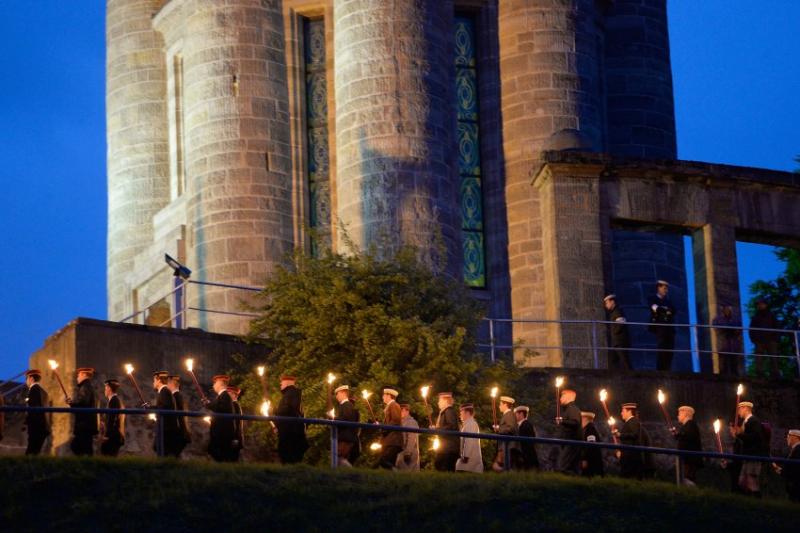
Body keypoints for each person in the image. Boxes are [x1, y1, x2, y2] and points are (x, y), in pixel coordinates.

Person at [730, 401, 767, 497]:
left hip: (753, 455)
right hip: (747, 455)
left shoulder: (753, 421)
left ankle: (757, 500)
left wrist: (739, 434)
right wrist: (738, 434)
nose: (738, 412)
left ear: (745, 408)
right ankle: (748, 499)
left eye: (739, 409)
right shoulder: (746, 422)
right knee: (742, 481)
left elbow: (755, 437)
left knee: (751, 479)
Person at [275, 375, 308, 464]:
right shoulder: (290, 394)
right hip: (291, 433)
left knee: (289, 459)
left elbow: (287, 410)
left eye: (282, 381)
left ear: (288, 382)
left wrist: (274, 411)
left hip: (291, 434)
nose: (280, 383)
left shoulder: (292, 393)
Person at [205, 374, 236, 462]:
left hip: (223, 433)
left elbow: (222, 409)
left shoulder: (225, 395)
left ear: (221, 383)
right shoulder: (221, 396)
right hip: (219, 431)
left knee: (220, 455)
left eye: (215, 383)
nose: (213, 385)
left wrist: (209, 405)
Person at [67, 367, 98, 456]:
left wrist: (72, 404)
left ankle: (85, 466)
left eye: (78, 375)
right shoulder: (86, 386)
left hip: (84, 424)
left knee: (78, 446)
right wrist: (72, 403)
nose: (77, 377)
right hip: (85, 424)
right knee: (84, 447)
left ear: (84, 375)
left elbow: (83, 402)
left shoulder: (85, 386)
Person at [649, 280, 677, 371]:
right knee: (661, 349)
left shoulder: (669, 301)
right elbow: (655, 308)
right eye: (664, 288)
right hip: (659, 328)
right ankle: (660, 370)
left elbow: (674, 311)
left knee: (670, 350)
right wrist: (665, 310)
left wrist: (663, 310)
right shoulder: (652, 299)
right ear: (659, 288)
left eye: (666, 289)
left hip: (669, 329)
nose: (666, 290)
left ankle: (667, 369)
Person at [749, 299, 781, 378]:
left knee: (773, 357)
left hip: (771, 340)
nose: (760, 305)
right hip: (759, 341)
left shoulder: (771, 315)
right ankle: (759, 374)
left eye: (762, 304)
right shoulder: (755, 317)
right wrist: (754, 340)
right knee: (759, 358)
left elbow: (777, 326)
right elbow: (751, 329)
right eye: (759, 304)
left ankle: (775, 374)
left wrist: (775, 339)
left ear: (765, 305)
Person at [613, 402, 645, 479]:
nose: (621, 413)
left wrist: (620, 435)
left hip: (631, 459)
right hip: (629, 458)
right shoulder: (631, 422)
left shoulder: (632, 421)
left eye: (623, 411)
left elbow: (634, 435)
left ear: (629, 411)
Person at [672, 405, 703, 485]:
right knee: (685, 478)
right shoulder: (687, 426)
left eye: (679, 414)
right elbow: (685, 437)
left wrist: (679, 435)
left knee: (688, 479)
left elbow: (688, 437)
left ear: (685, 414)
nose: (678, 416)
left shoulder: (691, 425)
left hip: (690, 460)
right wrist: (677, 435)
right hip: (687, 459)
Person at [152, 370, 179, 457]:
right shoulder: (164, 391)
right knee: (158, 448)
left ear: (159, 380)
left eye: (154, 380)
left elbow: (165, 407)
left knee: (161, 450)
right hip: (165, 428)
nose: (153, 383)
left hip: (166, 429)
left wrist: (151, 408)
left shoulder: (164, 391)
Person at [556, 389, 583, 474]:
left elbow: (575, 422)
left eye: (562, 396)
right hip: (569, 443)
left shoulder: (572, 409)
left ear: (568, 397)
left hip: (571, 443)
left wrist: (562, 421)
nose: (560, 398)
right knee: (569, 466)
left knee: (563, 466)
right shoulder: (569, 409)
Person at [24, 369, 50, 455]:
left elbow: (33, 409)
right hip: (42, 427)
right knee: (35, 452)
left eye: (26, 379)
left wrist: (27, 422)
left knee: (31, 453)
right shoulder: (43, 391)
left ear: (31, 378)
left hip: (36, 427)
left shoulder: (33, 390)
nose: (26, 381)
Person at [712, 304, 742, 376]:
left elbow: (739, 329)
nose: (727, 310)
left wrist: (730, 330)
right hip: (723, 343)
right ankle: (722, 375)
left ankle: (735, 375)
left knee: (734, 360)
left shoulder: (735, 319)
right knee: (723, 360)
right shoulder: (717, 319)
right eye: (725, 309)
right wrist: (728, 329)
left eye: (728, 309)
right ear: (723, 310)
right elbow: (717, 328)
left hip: (733, 343)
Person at [492, 396, 521, 471]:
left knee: (503, 467)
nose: (499, 406)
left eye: (500, 404)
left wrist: (499, 429)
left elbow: (510, 428)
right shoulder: (507, 415)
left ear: (505, 405)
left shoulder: (509, 414)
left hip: (508, 446)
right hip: (505, 446)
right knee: (498, 466)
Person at [334, 385, 359, 467]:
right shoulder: (345, 406)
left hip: (346, 437)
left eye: (337, 394)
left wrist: (334, 419)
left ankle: (352, 473)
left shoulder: (347, 405)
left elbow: (346, 419)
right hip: (345, 436)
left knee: (339, 457)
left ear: (343, 393)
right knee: (339, 457)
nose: (336, 396)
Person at [604, 294, 631, 370]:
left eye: (607, 303)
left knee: (625, 362)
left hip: (620, 342)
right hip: (616, 343)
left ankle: (633, 378)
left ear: (612, 302)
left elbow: (620, 325)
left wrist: (613, 332)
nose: (606, 305)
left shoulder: (618, 311)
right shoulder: (614, 312)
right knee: (613, 362)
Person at [433, 392, 459, 472]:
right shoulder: (445, 412)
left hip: (448, 447)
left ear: (445, 401)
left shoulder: (449, 411)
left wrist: (437, 429)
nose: (438, 403)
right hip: (446, 446)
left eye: (439, 401)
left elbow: (451, 426)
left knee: (443, 466)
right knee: (439, 464)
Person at [772, 429, 800, 502]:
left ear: (795, 437)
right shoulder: (795, 449)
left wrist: (780, 470)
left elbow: (793, 469)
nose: (787, 438)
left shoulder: (797, 450)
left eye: (789, 436)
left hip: (795, 484)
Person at [379, 387, 403, 469]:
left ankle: (396, 473)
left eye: (384, 395)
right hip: (390, 440)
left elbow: (395, 421)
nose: (382, 397)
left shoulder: (394, 405)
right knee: (386, 462)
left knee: (384, 461)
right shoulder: (390, 406)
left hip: (393, 440)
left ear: (389, 396)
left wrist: (384, 428)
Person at [100, 379, 125, 457]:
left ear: (109, 388)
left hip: (113, 436)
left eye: (105, 388)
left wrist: (107, 435)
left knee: (109, 457)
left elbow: (112, 419)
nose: (105, 390)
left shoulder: (114, 401)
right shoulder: (114, 400)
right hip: (114, 435)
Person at [167, 375, 191, 457]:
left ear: (172, 383)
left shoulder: (175, 396)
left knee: (172, 455)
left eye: (168, 383)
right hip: (180, 431)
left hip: (178, 432)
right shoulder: (178, 396)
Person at [455, 403, 482, 473]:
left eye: (461, 412)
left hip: (469, 464)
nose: (460, 415)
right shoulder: (469, 424)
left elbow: (469, 441)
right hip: (469, 465)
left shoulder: (471, 424)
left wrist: (465, 457)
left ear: (467, 413)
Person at [396, 403, 420, 471]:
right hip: (404, 451)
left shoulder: (411, 422)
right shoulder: (402, 422)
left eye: (401, 410)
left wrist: (408, 452)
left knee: (408, 473)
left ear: (407, 411)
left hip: (409, 452)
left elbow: (412, 438)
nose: (400, 413)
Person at [515, 405, 539, 470]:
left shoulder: (525, 425)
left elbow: (526, 443)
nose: (515, 416)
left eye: (516, 414)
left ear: (521, 414)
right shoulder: (525, 425)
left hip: (527, 456)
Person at [580, 412, 604, 477]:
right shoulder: (589, 429)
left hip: (591, 462)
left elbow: (590, 446)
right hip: (592, 461)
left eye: (581, 418)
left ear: (585, 419)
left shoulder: (590, 430)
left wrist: (585, 459)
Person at [228, 386, 244, 461]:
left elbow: (236, 423)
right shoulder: (235, 405)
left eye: (228, 393)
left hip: (234, 439)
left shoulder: (235, 405)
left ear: (234, 395)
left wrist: (235, 438)